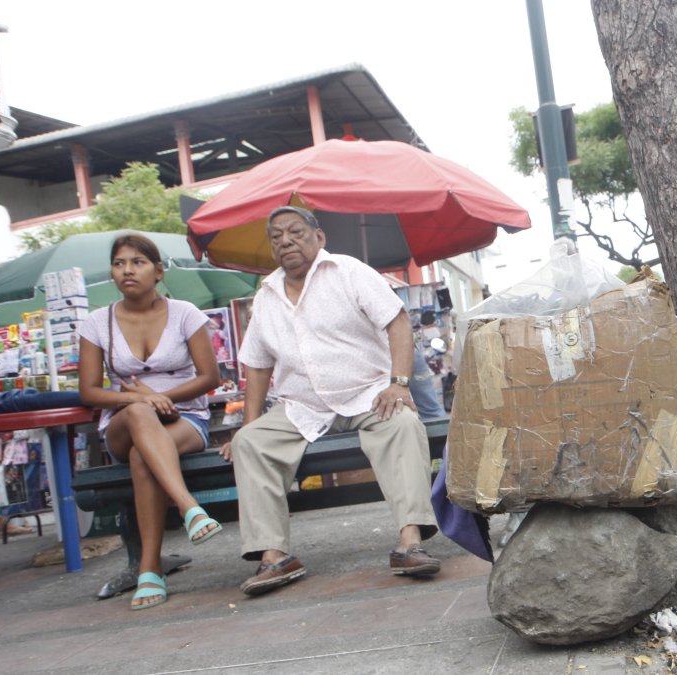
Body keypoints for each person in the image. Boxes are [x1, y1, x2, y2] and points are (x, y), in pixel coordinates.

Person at [223, 206, 439, 597]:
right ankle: (275, 555)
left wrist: (399, 383)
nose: (285, 241)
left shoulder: (348, 271)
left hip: (368, 394)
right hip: (302, 407)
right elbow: (256, 365)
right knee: (248, 443)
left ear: (318, 238)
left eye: (295, 232)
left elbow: (398, 321)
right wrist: (249, 423)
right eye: (276, 236)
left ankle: (411, 542)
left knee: (404, 423)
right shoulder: (267, 295)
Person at [77, 233, 223, 611]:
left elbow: (210, 377)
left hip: (185, 419)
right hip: (123, 426)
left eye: (138, 262)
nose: (127, 270)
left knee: (146, 457)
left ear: (158, 271)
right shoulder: (96, 323)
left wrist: (166, 400)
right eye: (119, 263)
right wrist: (143, 399)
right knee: (140, 416)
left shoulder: (186, 314)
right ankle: (188, 506)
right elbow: (90, 392)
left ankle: (149, 570)